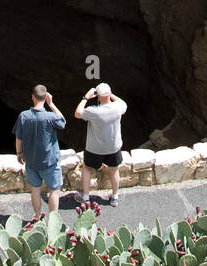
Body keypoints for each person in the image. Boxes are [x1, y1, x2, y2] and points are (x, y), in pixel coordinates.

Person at [13, 84, 66, 218]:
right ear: (46, 97)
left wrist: (19, 153)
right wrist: (52, 104)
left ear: (32, 97)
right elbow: (63, 122)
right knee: (54, 190)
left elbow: (19, 138)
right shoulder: (50, 117)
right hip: (49, 161)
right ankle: (53, 221)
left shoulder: (24, 116)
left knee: (35, 189)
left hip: (31, 161)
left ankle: (37, 216)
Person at [74, 82, 127, 207]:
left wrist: (86, 97)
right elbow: (123, 103)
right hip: (113, 147)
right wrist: (110, 94)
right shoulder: (118, 107)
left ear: (97, 96)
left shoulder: (93, 111)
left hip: (94, 149)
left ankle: (86, 197)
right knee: (114, 170)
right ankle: (114, 197)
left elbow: (77, 113)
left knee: (87, 168)